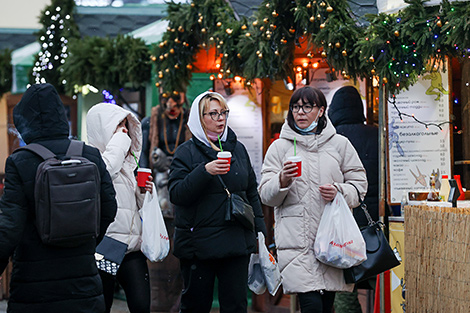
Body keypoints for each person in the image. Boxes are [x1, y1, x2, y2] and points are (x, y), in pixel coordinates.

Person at [0, 83, 118, 313]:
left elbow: (9, 227)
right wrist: (85, 240)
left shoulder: (20, 162)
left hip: (34, 289)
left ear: (26, 121)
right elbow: (109, 208)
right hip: (83, 285)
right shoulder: (89, 154)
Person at [258, 86, 368, 313]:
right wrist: (282, 180)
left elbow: (359, 186)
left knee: (326, 306)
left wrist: (339, 191)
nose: (300, 112)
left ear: (320, 111)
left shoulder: (340, 144)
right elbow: (266, 194)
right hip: (297, 242)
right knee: (311, 305)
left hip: (333, 240)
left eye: (307, 107)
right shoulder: (279, 147)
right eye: (296, 107)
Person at [168, 91, 267, 313]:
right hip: (199, 246)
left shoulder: (238, 149)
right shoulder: (186, 152)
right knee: (195, 306)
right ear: (199, 118)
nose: (220, 118)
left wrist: (259, 233)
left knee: (236, 306)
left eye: (223, 112)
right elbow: (177, 194)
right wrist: (204, 171)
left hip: (235, 243)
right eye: (213, 113)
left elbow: (250, 191)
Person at [86, 102, 154, 313]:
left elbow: (137, 209)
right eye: (118, 126)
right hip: (104, 249)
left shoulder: (128, 164)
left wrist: (145, 193)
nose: (125, 131)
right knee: (101, 306)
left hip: (132, 249)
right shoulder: (90, 159)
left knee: (141, 305)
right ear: (103, 128)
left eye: (126, 126)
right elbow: (104, 173)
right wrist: (120, 142)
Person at [328, 85, 379, 313]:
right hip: (374, 222)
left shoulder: (331, 140)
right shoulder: (377, 134)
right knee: (378, 275)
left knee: (344, 284)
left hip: (341, 224)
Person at [148, 92, 191, 218]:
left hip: (181, 166)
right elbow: (146, 148)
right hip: (161, 166)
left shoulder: (187, 119)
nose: (171, 108)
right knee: (162, 203)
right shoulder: (156, 120)